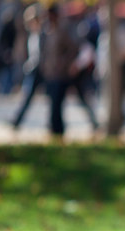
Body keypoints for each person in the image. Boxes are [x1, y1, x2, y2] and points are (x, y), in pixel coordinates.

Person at [40, 3, 81, 138]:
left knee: (57, 104)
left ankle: (58, 130)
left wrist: (63, 62)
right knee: (52, 102)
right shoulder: (47, 31)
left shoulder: (63, 31)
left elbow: (73, 49)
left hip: (60, 74)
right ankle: (54, 129)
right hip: (50, 73)